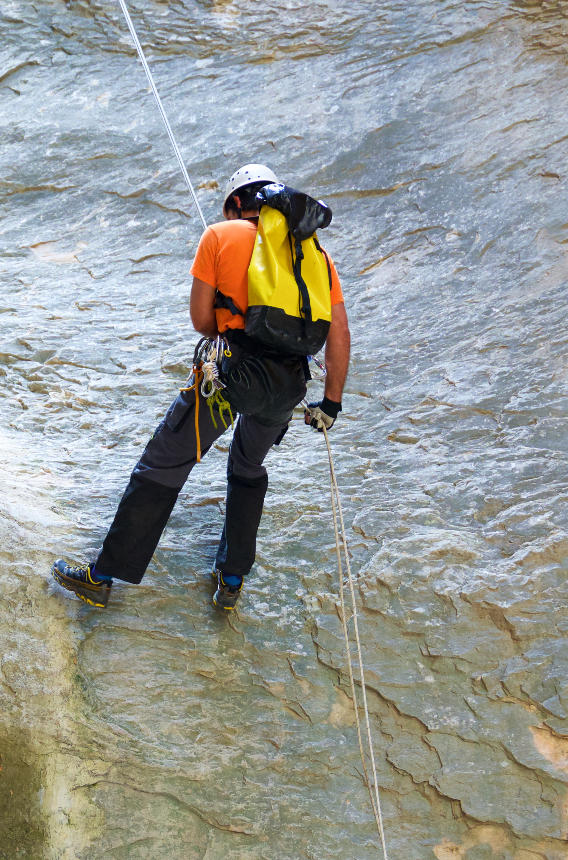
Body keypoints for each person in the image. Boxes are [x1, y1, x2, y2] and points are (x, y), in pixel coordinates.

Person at [52, 162, 351, 612]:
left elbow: (201, 321)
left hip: (229, 378)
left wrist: (232, 322)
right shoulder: (316, 256)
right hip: (288, 387)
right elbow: (339, 336)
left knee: (161, 466)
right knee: (248, 468)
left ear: (236, 204)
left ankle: (102, 577)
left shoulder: (219, 235)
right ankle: (231, 581)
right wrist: (331, 402)